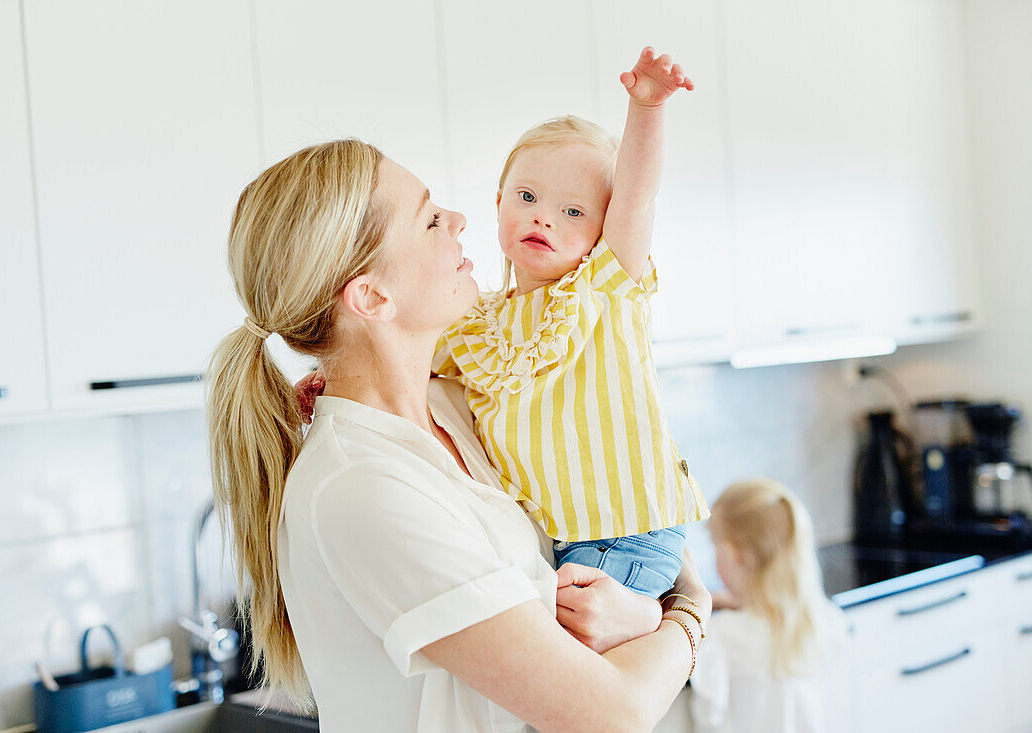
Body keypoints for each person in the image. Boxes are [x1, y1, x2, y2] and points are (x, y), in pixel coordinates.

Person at [205, 138, 711, 733]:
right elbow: (610, 714)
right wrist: (688, 612)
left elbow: (610, 494)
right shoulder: (360, 487)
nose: (461, 220)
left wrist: (641, 609)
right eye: (429, 220)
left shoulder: (462, 406)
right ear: (372, 296)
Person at [432, 47, 709, 599]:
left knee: (573, 672)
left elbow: (638, 196)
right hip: (561, 540)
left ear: (606, 227)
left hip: (629, 534)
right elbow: (404, 365)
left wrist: (647, 109)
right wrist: (335, 381)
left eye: (574, 211)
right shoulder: (471, 324)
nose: (543, 217)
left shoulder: (604, 288)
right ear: (498, 204)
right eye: (528, 197)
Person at [689, 479, 850, 733]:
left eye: (716, 545)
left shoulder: (723, 635)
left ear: (736, 554)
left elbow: (708, 719)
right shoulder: (827, 620)